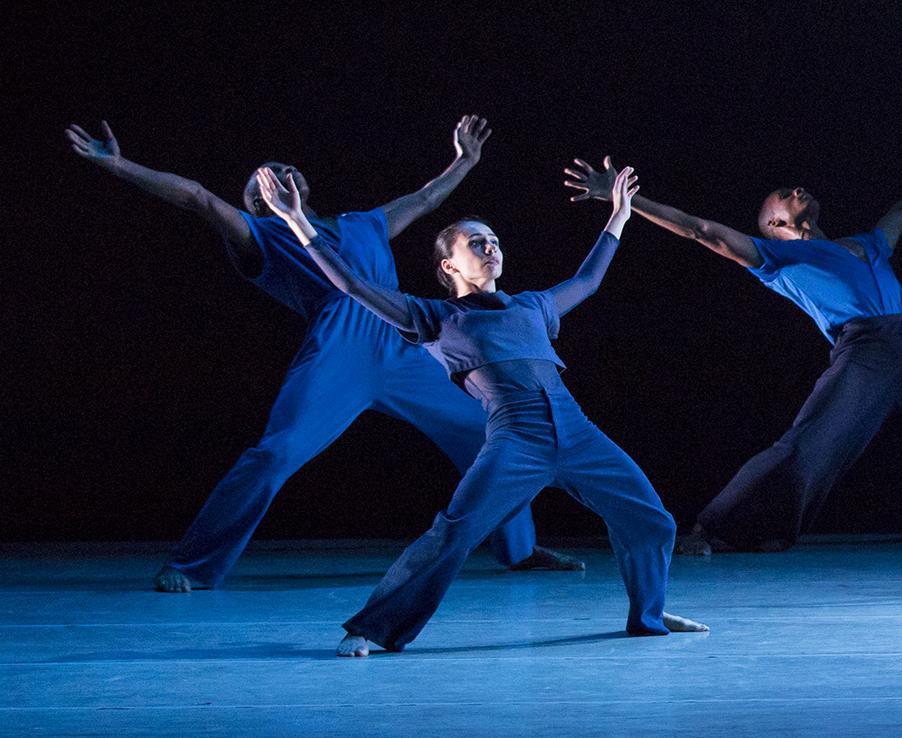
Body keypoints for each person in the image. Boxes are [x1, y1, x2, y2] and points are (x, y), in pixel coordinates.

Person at [65, 116, 571, 590]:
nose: (279, 173)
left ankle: (518, 549)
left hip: (401, 341)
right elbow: (197, 197)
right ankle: (192, 564)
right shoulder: (261, 235)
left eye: (287, 168)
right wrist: (117, 165)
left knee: (490, 432)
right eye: (262, 178)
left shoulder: (362, 224)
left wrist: (465, 160)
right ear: (257, 201)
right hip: (339, 347)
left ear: (306, 185)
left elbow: (424, 199)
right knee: (276, 451)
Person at [254, 162, 705, 653]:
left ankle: (649, 615)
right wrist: (298, 221)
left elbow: (588, 279)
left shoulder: (532, 306)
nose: (490, 247)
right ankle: (370, 627)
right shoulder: (434, 316)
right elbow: (353, 286)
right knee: (455, 532)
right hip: (517, 437)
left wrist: (618, 215)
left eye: (493, 240)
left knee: (652, 520)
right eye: (475, 242)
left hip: (579, 433)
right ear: (449, 266)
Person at [564, 151, 902, 554]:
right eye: (785, 194)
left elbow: (900, 213)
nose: (797, 189)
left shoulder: (868, 244)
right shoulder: (776, 257)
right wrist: (623, 202)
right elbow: (698, 229)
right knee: (810, 443)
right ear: (776, 225)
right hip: (865, 347)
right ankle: (716, 529)